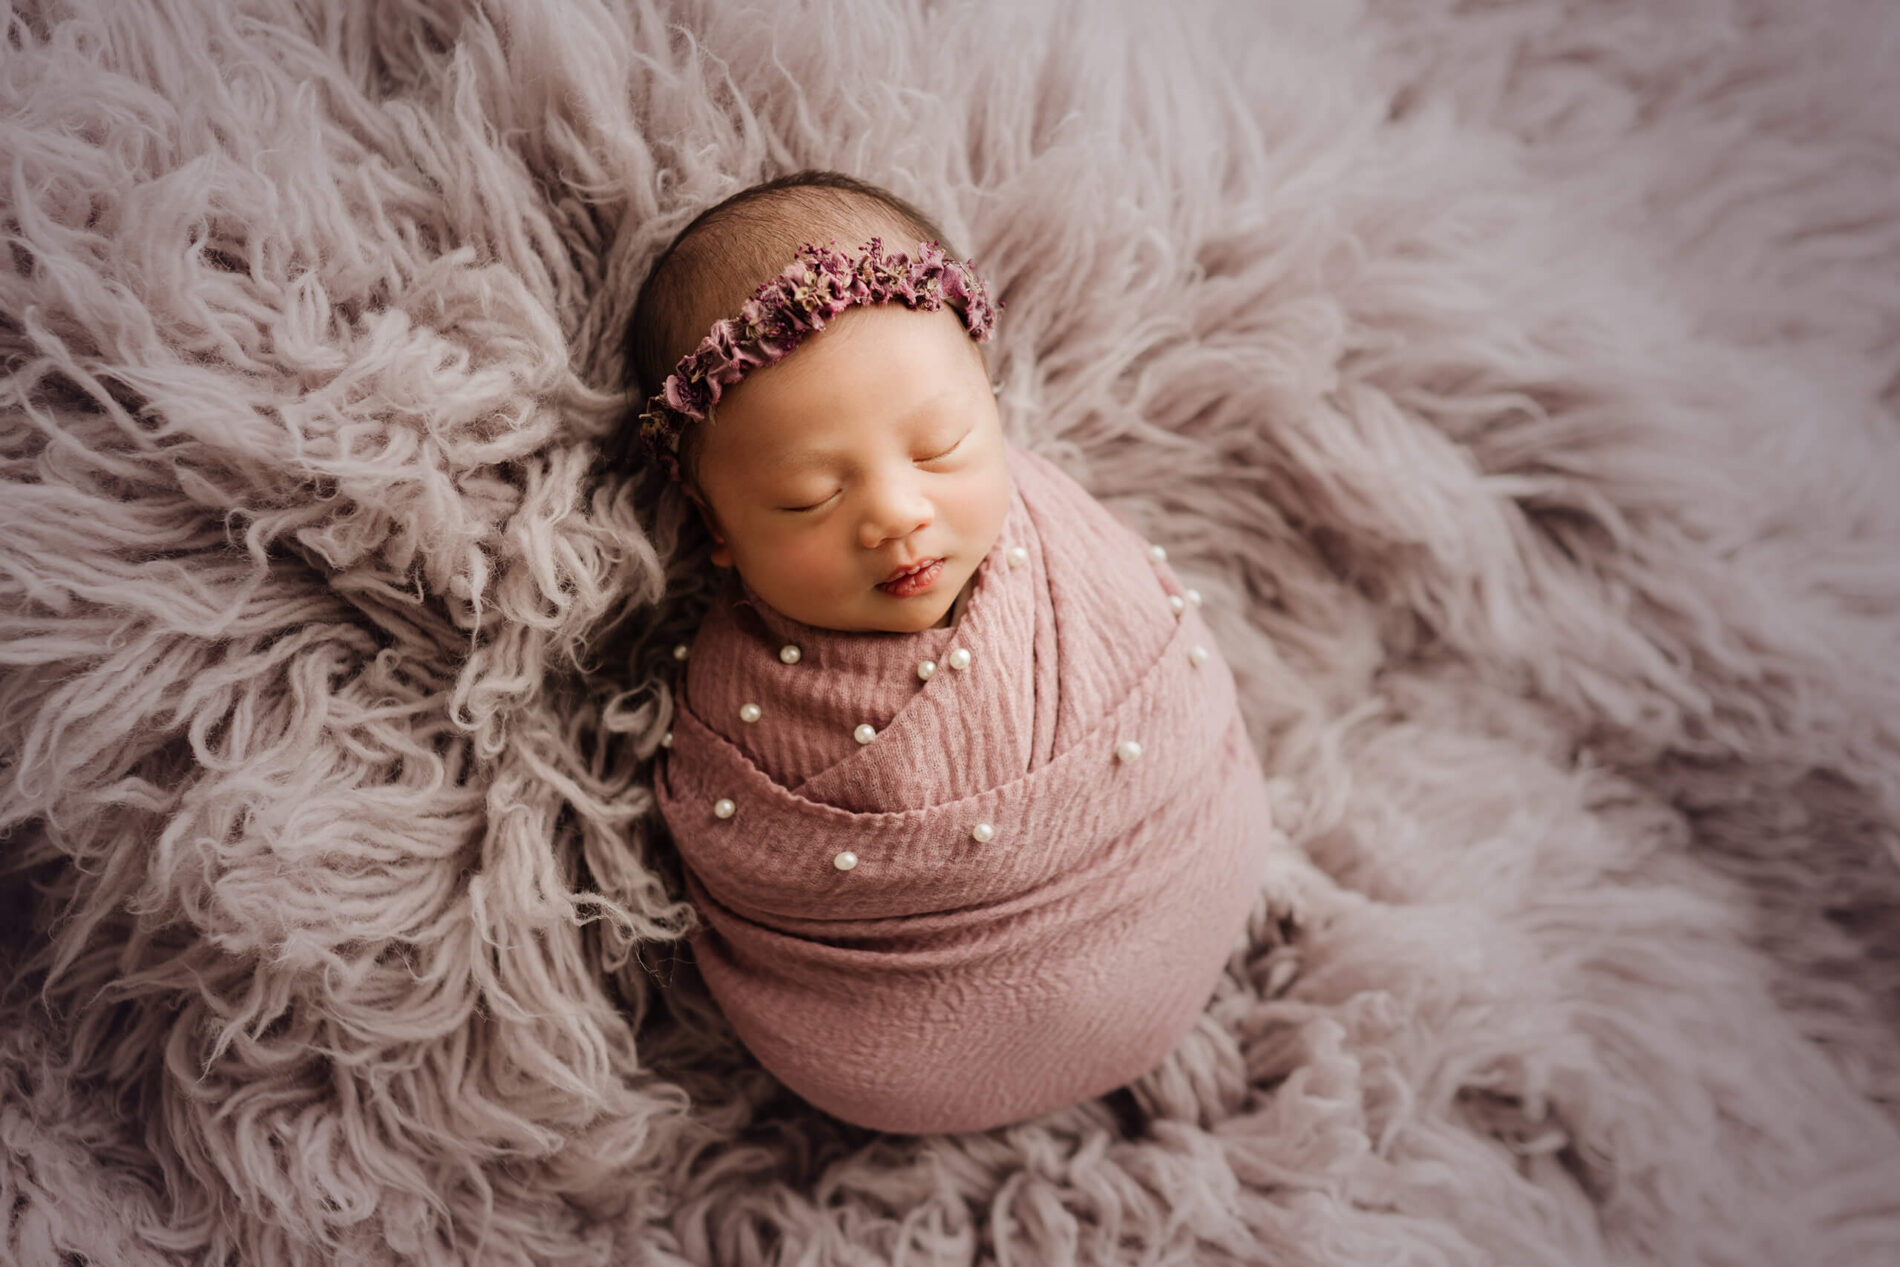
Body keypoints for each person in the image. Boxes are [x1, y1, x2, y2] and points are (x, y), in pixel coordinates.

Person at [623, 171, 1273, 1134]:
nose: (896, 512)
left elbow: (1168, 660)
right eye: (808, 497)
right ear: (715, 528)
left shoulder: (1063, 544)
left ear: (995, 409)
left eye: (941, 446)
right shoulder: (738, 712)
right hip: (900, 1058)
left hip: (1192, 887)